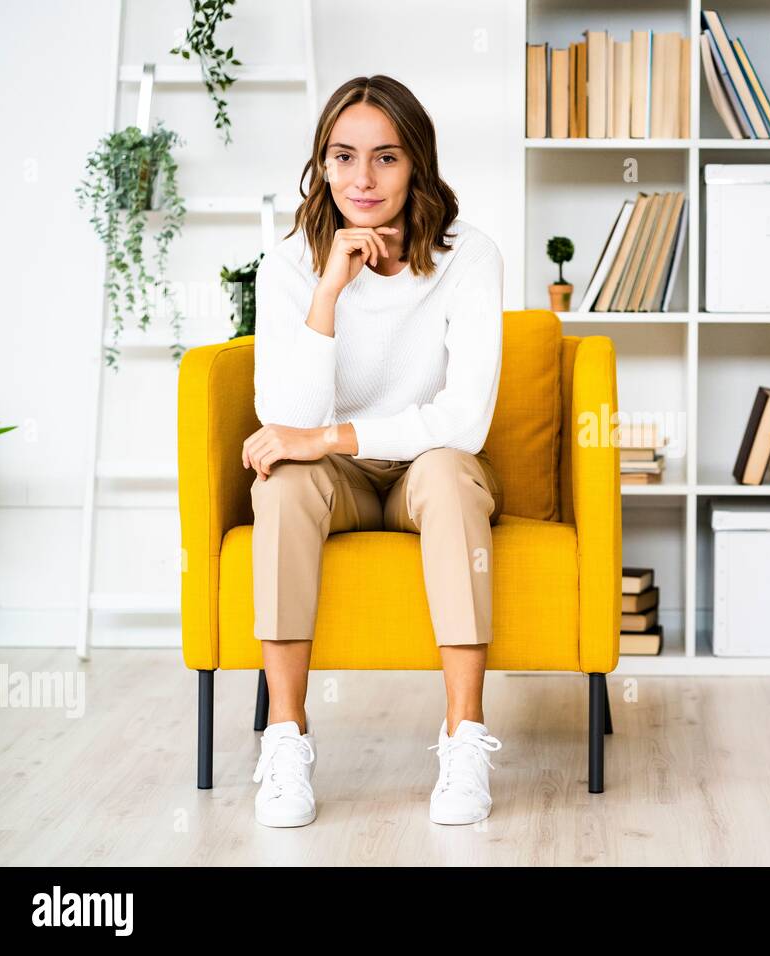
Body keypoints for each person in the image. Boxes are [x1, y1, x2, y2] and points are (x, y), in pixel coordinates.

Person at [242, 74, 506, 828]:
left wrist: (331, 435)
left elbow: (465, 423)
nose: (363, 178)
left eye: (386, 158)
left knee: (453, 475)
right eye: (344, 156)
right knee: (283, 485)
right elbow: (285, 420)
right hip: (339, 483)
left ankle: (463, 739)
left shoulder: (469, 257)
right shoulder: (290, 264)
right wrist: (328, 291)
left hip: (429, 469)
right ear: (322, 166)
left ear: (416, 163)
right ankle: (286, 739)